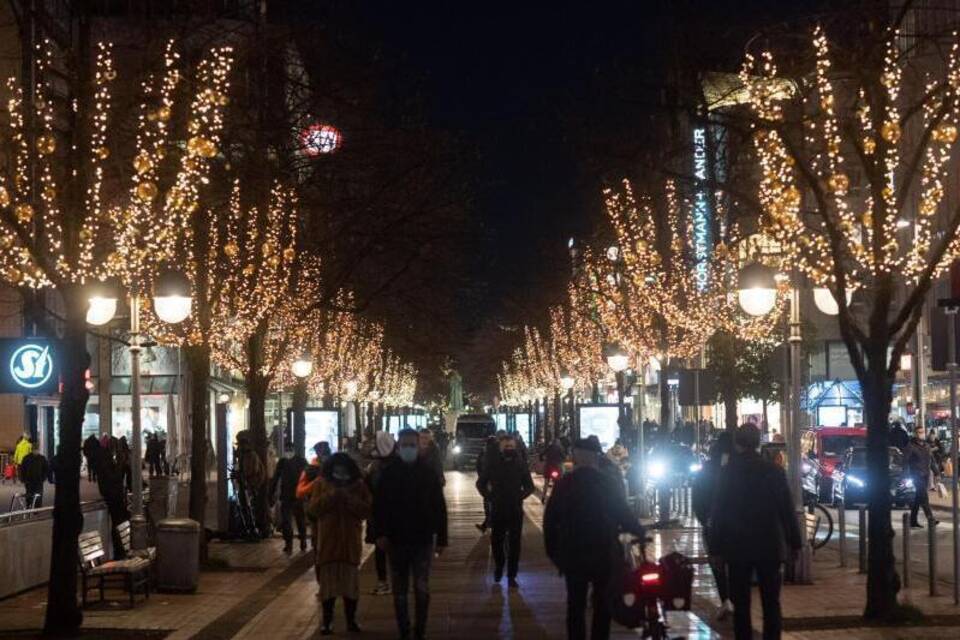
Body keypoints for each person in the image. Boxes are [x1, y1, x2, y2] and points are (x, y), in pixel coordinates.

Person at [544, 437, 643, 640]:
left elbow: (550, 521)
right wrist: (639, 531)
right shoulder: (607, 483)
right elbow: (622, 512)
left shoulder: (565, 484)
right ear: (595, 457)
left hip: (574, 553)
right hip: (603, 551)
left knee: (576, 606)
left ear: (578, 457)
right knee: (602, 605)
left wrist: (554, 553)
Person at [709, 424, 802, 640]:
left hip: (737, 546)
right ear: (759, 442)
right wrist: (795, 543)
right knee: (771, 603)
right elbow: (787, 509)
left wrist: (716, 549)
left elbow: (719, 511)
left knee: (741, 604)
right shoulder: (774, 471)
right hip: (769, 545)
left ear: (737, 444)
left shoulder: (727, 473)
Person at [375, 428, 448, 640]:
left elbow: (439, 506)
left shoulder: (427, 473)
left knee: (422, 589)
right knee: (400, 592)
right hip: (396, 540)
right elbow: (379, 507)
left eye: (412, 445)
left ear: (419, 447)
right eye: (405, 445)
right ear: (398, 447)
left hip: (422, 539)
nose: (409, 449)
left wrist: (441, 538)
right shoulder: (389, 474)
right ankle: (405, 631)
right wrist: (380, 534)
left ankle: (420, 631)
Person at [307, 452, 372, 636]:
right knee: (327, 587)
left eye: (344, 469)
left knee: (350, 586)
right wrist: (333, 496)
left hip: (350, 544)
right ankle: (327, 621)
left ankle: (351, 621)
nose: (340, 472)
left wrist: (350, 499)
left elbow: (367, 510)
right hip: (328, 544)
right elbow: (313, 509)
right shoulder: (321, 484)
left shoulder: (358, 485)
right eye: (337, 469)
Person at [476, 433, 534, 587]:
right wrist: (490, 496)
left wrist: (519, 496)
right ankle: (499, 566)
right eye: (506, 446)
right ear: (500, 448)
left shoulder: (520, 464)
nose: (509, 449)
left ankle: (512, 574)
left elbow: (530, 486)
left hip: (515, 508)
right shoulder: (493, 464)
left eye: (511, 446)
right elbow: (481, 483)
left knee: (515, 542)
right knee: (497, 540)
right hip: (498, 507)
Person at [691, 431, 733, 620]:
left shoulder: (706, 470)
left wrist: (706, 520)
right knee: (735, 563)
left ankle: (726, 599)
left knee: (717, 562)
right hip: (735, 526)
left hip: (713, 525)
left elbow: (697, 500)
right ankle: (733, 600)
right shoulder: (737, 468)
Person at [366, 431, 398, 596]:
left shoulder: (375, 467)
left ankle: (383, 581)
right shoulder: (397, 464)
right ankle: (393, 581)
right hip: (391, 515)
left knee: (381, 550)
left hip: (379, 515)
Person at [270, 442, 308, 554]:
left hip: (296, 495)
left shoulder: (299, 461)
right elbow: (276, 477)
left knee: (298, 519)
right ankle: (291, 543)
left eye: (290, 449)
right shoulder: (286, 462)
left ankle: (300, 541)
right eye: (287, 449)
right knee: (289, 520)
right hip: (289, 495)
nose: (288, 451)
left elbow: (308, 476)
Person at [905, 425, 939, 528]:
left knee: (918, 498)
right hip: (916, 475)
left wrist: (937, 473)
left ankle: (912, 521)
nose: (921, 434)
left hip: (925, 475)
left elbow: (932, 461)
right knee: (924, 497)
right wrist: (905, 475)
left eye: (923, 432)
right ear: (915, 434)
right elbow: (905, 461)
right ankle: (931, 519)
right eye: (919, 432)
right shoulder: (910, 446)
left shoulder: (927, 446)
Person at [474, 436, 499, 533]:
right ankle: (487, 523)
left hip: (488, 482)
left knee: (488, 503)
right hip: (491, 482)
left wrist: (482, 478)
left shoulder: (485, 453)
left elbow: (479, 466)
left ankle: (488, 523)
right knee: (490, 504)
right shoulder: (496, 453)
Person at [540, 438, 565, 503]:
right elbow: (563, 456)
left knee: (546, 483)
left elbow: (541, 454)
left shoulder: (549, 447)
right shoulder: (560, 448)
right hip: (556, 467)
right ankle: (556, 498)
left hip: (548, 467)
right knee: (557, 482)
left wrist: (542, 459)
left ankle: (543, 497)